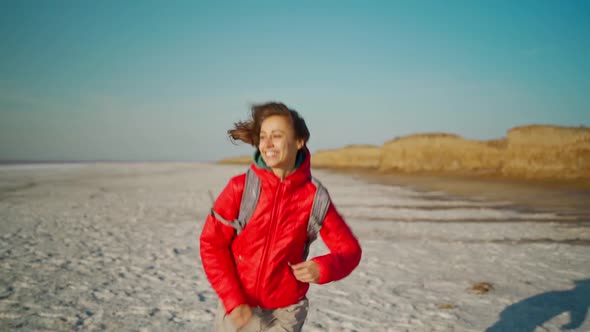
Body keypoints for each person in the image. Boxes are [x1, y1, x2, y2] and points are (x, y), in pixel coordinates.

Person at [200, 102, 362, 331]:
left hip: (285, 313)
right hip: (238, 310)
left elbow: (350, 251)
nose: (266, 144)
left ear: (299, 141)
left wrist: (323, 268)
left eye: (276, 136)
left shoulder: (315, 198)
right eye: (263, 136)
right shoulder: (241, 189)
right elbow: (212, 244)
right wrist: (233, 299)